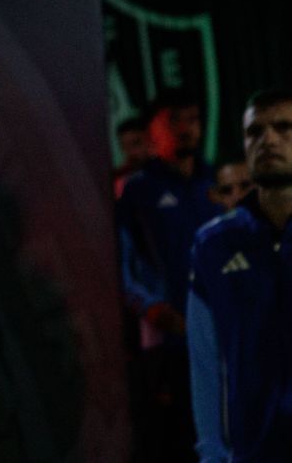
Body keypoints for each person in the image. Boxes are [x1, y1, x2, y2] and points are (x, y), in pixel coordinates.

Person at [188, 88, 292, 462]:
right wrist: (212, 454)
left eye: (284, 127)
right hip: (254, 451)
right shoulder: (214, 244)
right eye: (255, 131)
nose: (269, 140)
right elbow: (205, 361)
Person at [117, 94, 218, 461]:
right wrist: (152, 308)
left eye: (193, 118)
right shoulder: (138, 190)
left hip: (225, 334)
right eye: (174, 119)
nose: (186, 128)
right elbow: (123, 263)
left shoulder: (217, 181)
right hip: (172, 341)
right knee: (180, 440)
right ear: (152, 131)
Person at [114, 116, 153, 198]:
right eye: (124, 147)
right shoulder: (120, 182)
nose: (130, 152)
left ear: (150, 141)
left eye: (135, 144)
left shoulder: (169, 173)